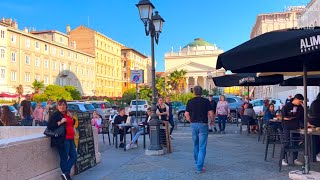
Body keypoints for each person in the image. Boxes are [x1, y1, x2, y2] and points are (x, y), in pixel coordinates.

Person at [185, 86, 214, 174]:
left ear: (194, 92)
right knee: (202, 147)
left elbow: (186, 114)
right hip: (203, 125)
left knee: (196, 145)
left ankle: (197, 162)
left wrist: (191, 121)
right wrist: (212, 121)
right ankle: (199, 167)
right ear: (201, 92)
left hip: (194, 125)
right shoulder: (206, 101)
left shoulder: (190, 101)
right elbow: (211, 113)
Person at [47, 99, 77, 180]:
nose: (62, 107)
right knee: (64, 158)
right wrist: (60, 122)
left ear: (66, 106)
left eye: (64, 105)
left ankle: (65, 174)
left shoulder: (68, 113)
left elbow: (72, 123)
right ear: (57, 106)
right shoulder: (56, 115)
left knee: (74, 156)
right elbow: (50, 126)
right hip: (63, 140)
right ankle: (66, 175)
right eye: (60, 105)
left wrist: (71, 117)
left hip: (70, 138)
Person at [281, 94, 304, 166]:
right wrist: (285, 118)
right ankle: (282, 158)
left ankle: (295, 159)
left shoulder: (300, 107)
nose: (300, 103)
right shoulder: (287, 106)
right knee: (286, 142)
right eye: (300, 101)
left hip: (296, 126)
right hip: (287, 126)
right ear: (296, 99)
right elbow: (283, 116)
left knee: (295, 142)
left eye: (301, 102)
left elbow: (302, 118)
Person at [308, 93, 320, 161]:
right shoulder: (316, 103)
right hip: (315, 123)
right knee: (316, 140)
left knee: (315, 140)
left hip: (313, 122)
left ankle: (316, 154)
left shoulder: (314, 103)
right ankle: (316, 154)